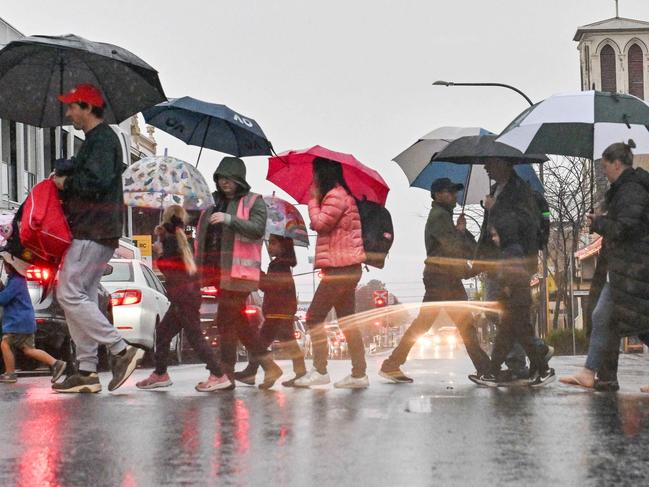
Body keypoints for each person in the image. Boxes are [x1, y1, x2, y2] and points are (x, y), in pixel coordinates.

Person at [52, 84, 143, 394]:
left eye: (72, 107)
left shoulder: (102, 139)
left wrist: (67, 182)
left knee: (67, 293)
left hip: (92, 228)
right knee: (84, 296)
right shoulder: (98, 140)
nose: (68, 113)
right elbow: (97, 176)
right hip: (101, 228)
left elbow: (97, 181)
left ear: (87, 107)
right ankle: (87, 370)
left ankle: (121, 349)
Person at [380, 178, 491, 383]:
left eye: (455, 192)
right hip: (443, 278)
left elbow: (454, 247)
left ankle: (391, 364)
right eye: (450, 192)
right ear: (438, 194)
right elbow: (453, 248)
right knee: (463, 325)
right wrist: (462, 236)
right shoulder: (439, 217)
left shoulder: (443, 216)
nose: (454, 196)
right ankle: (485, 369)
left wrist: (461, 232)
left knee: (427, 325)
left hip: (443, 277)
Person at [560, 140, 649, 392]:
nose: (604, 172)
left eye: (606, 166)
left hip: (634, 268)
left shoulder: (631, 190)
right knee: (612, 318)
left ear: (617, 164)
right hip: (627, 267)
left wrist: (600, 223)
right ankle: (590, 372)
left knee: (636, 323)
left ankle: (590, 372)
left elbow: (626, 227)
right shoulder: (625, 189)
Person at [196, 156, 283, 389]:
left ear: (240, 180)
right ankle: (268, 366)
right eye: (221, 178)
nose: (225, 183)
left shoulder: (254, 201)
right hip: (218, 271)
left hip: (240, 273)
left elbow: (256, 229)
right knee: (237, 322)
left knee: (225, 320)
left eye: (230, 178)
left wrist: (230, 220)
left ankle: (226, 374)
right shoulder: (212, 202)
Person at [136, 206, 232, 392]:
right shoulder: (182, 238)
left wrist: (159, 253)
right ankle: (160, 373)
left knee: (195, 338)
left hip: (183, 298)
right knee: (163, 333)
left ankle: (219, 374)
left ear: (165, 217)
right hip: (186, 296)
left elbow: (171, 271)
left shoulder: (170, 240)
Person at [474, 158, 553, 384]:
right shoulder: (495, 190)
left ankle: (504, 366)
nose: (486, 167)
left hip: (514, 262)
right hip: (499, 262)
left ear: (504, 164)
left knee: (512, 319)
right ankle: (531, 358)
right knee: (510, 320)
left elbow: (520, 226)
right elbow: (491, 230)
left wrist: (494, 208)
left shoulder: (520, 191)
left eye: (490, 163)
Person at [294, 157, 368, 389]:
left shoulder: (335, 196)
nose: (313, 178)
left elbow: (320, 224)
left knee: (314, 316)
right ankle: (359, 374)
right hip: (346, 267)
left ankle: (320, 370)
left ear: (323, 174)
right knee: (347, 322)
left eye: (315, 173)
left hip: (341, 268)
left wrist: (312, 201)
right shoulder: (341, 194)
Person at [234, 234, 307, 388]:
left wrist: (257, 272)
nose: (270, 246)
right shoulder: (280, 264)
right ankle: (299, 374)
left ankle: (255, 371)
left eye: (273, 243)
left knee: (260, 343)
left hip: (277, 311)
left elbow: (269, 286)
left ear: (283, 246)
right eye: (270, 242)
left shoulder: (279, 265)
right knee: (287, 342)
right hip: (281, 310)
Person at [0, 262, 66, 384]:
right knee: (29, 349)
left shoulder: (16, 281)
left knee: (5, 344)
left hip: (18, 322)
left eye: (6, 265)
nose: (4, 268)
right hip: (24, 321)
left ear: (13, 266)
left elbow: (3, 299)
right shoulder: (16, 280)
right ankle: (56, 363)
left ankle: (10, 373)